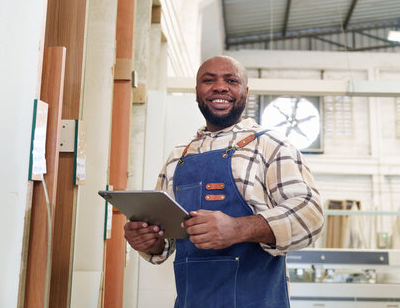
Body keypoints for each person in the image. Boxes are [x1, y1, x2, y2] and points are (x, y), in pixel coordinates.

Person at [123, 56, 324, 308]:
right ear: (197, 93)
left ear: (245, 92)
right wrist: (148, 240)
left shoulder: (271, 145)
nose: (220, 87)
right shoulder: (179, 156)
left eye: (231, 80)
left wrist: (238, 229)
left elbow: (311, 216)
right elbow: (164, 240)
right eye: (208, 80)